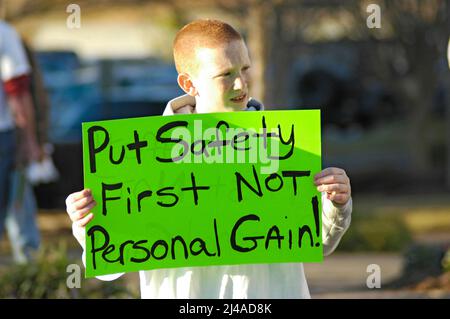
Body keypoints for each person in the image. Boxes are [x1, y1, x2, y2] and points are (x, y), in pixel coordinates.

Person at [66, 19, 352, 298]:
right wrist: (87, 224)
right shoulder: (138, 158)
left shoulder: (284, 146)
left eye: (245, 68)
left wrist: (336, 204)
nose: (241, 84)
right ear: (189, 84)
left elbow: (319, 244)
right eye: (225, 74)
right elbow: (109, 269)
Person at [0, 20, 42, 263]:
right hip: (3, 136)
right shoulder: (4, 34)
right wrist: (30, 141)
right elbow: (17, 93)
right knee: (18, 205)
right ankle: (29, 268)